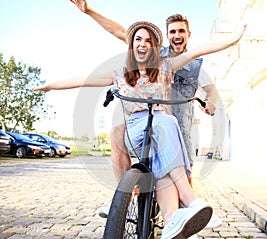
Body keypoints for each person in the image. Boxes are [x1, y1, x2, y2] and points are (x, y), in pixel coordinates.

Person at [34, 21, 246, 238]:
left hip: (160, 130)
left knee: (163, 170)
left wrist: (234, 39)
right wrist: (51, 86)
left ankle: (172, 220)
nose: (143, 44)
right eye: (138, 39)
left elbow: (198, 51)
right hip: (136, 128)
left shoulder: (164, 67)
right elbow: (82, 80)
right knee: (167, 122)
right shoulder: (121, 73)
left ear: (154, 47)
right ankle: (187, 199)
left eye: (148, 41)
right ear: (132, 45)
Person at [69, 1, 221, 231]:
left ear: (188, 34)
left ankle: (181, 222)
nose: (177, 35)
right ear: (167, 36)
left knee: (183, 179)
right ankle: (122, 201)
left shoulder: (195, 65)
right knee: (117, 132)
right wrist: (89, 11)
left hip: (180, 124)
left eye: (181, 31)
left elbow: (210, 89)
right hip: (149, 119)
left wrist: (212, 103)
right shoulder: (155, 53)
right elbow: (122, 32)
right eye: (172, 32)